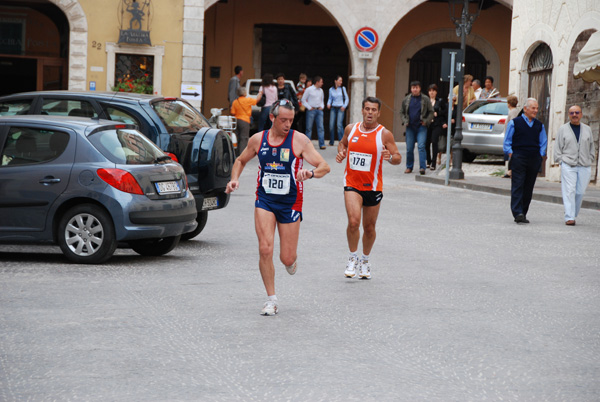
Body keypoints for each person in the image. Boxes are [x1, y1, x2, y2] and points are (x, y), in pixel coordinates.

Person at [226, 99, 330, 315]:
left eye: (291, 120)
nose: (287, 124)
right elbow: (240, 160)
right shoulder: (258, 139)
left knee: (287, 258)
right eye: (283, 120)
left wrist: (309, 173)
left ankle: (291, 260)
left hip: (290, 202)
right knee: (265, 248)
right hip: (265, 200)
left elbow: (324, 166)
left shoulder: (299, 140)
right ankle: (271, 299)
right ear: (272, 118)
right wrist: (234, 179)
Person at [336, 97, 401, 279]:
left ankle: (365, 261)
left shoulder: (384, 134)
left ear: (379, 113)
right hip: (352, 184)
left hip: (373, 187)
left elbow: (397, 157)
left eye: (374, 110)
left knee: (369, 227)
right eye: (367, 109)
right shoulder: (351, 129)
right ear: (362, 111)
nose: (370, 112)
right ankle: (352, 257)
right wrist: (342, 152)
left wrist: (389, 157)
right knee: (354, 222)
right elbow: (343, 143)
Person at [503, 98, 547, 224]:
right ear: (526, 108)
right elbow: (507, 141)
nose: (536, 111)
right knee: (518, 184)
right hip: (519, 157)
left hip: (534, 158)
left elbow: (543, 141)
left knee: (528, 186)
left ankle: (523, 211)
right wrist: (511, 153)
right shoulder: (515, 123)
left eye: (537, 108)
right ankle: (517, 212)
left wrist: (540, 154)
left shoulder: (539, 125)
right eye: (533, 108)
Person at [553, 105, 595, 226]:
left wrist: (590, 158)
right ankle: (569, 217)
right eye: (572, 113)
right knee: (569, 191)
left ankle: (572, 212)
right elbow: (557, 147)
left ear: (581, 114)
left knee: (580, 192)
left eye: (577, 112)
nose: (575, 115)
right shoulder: (563, 129)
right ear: (568, 115)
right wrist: (561, 160)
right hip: (568, 164)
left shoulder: (587, 129)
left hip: (584, 164)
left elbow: (592, 146)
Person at [400, 81, 434, 175]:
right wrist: (404, 121)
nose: (415, 89)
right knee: (409, 148)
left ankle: (422, 167)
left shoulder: (425, 99)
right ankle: (409, 166)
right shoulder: (407, 99)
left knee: (421, 146)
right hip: (410, 126)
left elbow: (431, 112)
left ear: (420, 88)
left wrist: (426, 121)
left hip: (421, 126)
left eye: (416, 87)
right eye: (413, 87)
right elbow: (402, 112)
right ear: (411, 89)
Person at [425, 84, 447, 170]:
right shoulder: (426, 101)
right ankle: (428, 161)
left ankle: (433, 162)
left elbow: (445, 111)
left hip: (436, 124)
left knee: (434, 142)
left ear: (436, 92)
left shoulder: (440, 101)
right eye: (430, 91)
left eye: (433, 91)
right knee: (426, 143)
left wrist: (438, 114)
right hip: (427, 124)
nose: (432, 92)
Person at [230, 87, 258, 154]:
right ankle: (242, 153)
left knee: (237, 137)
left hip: (236, 121)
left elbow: (232, 113)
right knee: (244, 138)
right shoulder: (248, 100)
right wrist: (260, 94)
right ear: (245, 93)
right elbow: (256, 101)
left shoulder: (235, 101)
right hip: (245, 120)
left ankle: (236, 152)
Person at [302, 75, 326, 149]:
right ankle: (307, 145)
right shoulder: (309, 89)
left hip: (319, 110)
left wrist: (322, 106)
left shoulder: (321, 90)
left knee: (321, 127)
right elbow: (303, 99)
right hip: (311, 110)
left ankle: (322, 144)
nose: (322, 83)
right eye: (321, 82)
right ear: (317, 82)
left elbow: (322, 100)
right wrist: (309, 107)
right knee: (309, 128)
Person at [327, 75, 349, 146]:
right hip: (333, 108)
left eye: (341, 81)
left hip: (340, 108)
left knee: (339, 125)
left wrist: (344, 106)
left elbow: (346, 98)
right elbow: (330, 98)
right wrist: (328, 104)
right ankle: (331, 141)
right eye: (339, 80)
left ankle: (342, 141)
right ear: (335, 81)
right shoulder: (331, 89)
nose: (341, 82)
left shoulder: (343, 89)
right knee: (331, 125)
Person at [503, 95, 520, 178]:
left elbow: (512, 123)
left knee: (511, 153)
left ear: (509, 103)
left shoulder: (513, 112)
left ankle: (510, 171)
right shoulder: (514, 111)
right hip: (511, 135)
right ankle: (510, 171)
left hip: (511, 136)